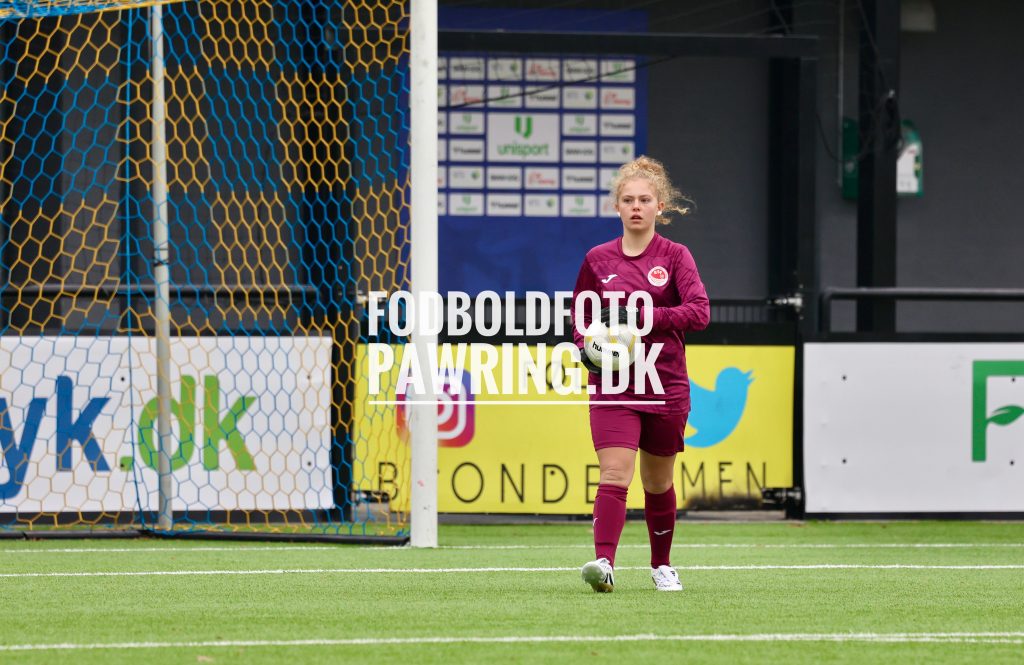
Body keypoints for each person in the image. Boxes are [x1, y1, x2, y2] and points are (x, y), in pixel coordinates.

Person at [572, 156, 710, 592]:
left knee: (657, 481)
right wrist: (588, 347)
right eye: (628, 200)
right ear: (616, 206)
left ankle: (661, 565)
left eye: (645, 200)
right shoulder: (597, 259)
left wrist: (647, 318)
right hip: (614, 385)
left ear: (659, 206)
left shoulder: (675, 256)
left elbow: (699, 312)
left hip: (664, 384)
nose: (636, 206)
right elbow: (580, 317)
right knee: (615, 473)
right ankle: (604, 564)